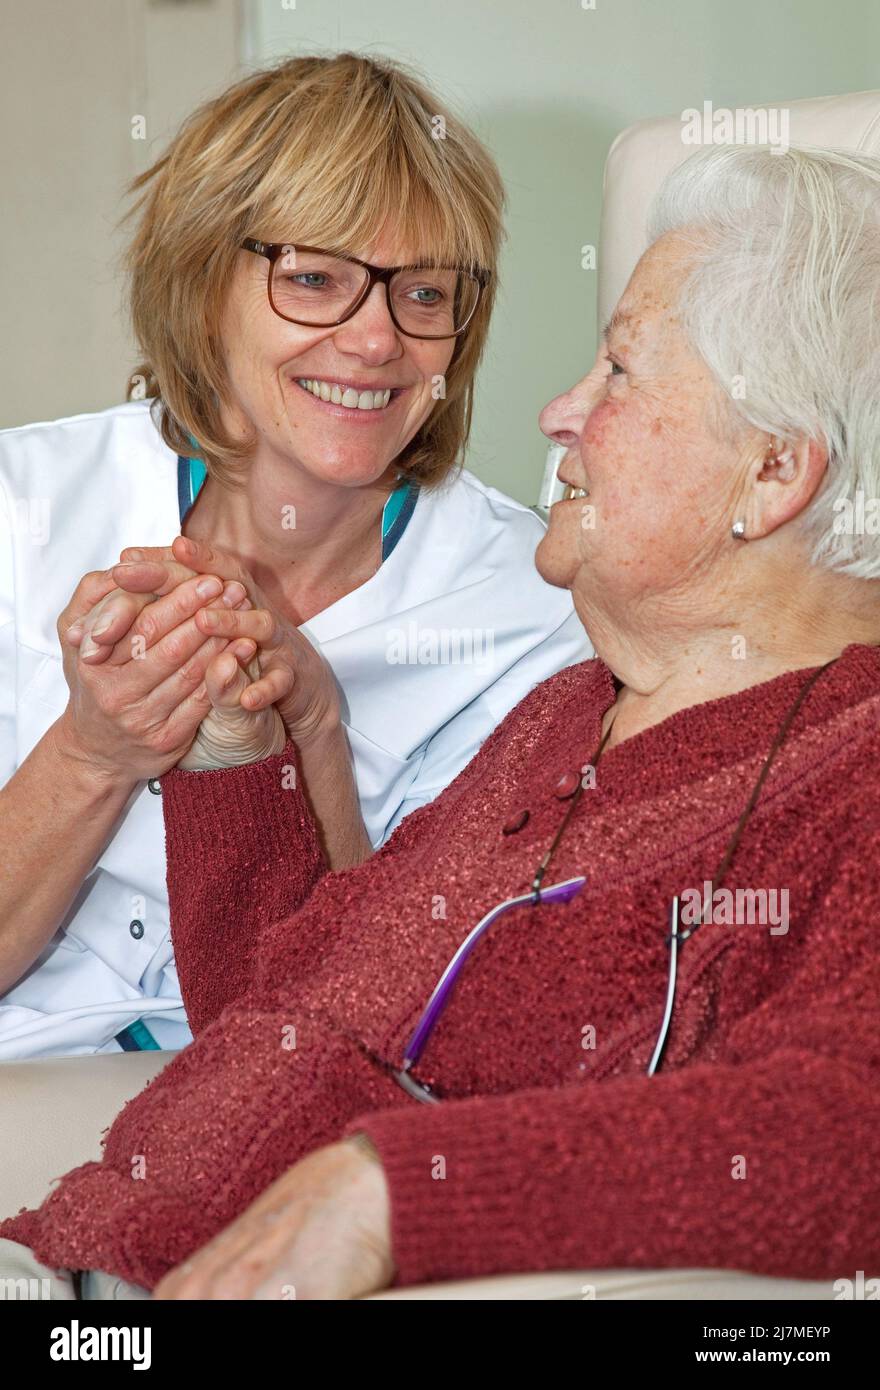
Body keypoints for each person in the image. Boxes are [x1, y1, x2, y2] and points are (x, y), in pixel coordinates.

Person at [3, 142, 879, 1300]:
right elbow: (289, 1007)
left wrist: (395, 1188)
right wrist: (238, 740)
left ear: (773, 475)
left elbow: (842, 1127)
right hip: (84, 1265)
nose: (556, 413)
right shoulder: (573, 714)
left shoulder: (846, 767)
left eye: (617, 373)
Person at [0, 53, 588, 1061]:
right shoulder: (25, 506)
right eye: (314, 279)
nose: (374, 341)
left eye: (424, 294)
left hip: (284, 1115)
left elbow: (419, 1027)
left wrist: (314, 736)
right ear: (200, 288)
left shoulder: (536, 611)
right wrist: (93, 753)